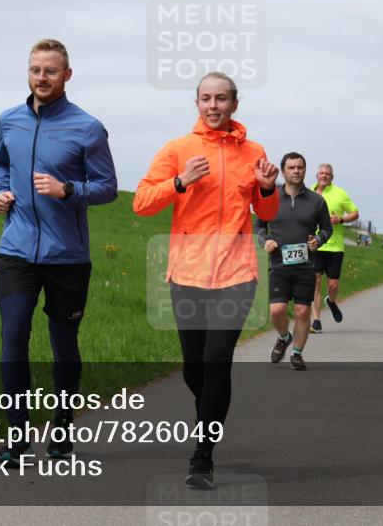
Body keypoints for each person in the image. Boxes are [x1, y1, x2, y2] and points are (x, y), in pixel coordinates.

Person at [133, 71, 279, 490]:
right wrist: (180, 182)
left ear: (235, 104)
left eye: (221, 99)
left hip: (236, 273)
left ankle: (203, 455)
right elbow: (142, 203)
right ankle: (210, 413)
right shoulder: (178, 150)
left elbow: (266, 215)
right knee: (195, 368)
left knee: (217, 362)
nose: (213, 106)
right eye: (205, 99)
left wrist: (267, 189)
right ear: (196, 103)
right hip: (189, 273)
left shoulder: (254, 152)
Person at [0, 39, 118, 466]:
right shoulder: (9, 120)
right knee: (13, 336)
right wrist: (1, 193)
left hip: (68, 257)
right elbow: (0, 165)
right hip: (17, 251)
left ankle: (61, 427)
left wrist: (68, 190)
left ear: (66, 75)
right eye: (34, 70)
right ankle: (17, 433)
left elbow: (107, 189)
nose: (41, 78)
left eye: (49, 71)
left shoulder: (88, 127)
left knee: (63, 343)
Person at [254, 152, 331, 370]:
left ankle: (297, 353)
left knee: (302, 312)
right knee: (277, 311)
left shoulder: (317, 201)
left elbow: (327, 229)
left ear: (305, 171)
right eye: (291, 168)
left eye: (300, 167)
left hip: (306, 265)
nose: (296, 171)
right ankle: (283, 337)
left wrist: (318, 240)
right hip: (278, 264)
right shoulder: (271, 197)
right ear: (283, 170)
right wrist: (265, 240)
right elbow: (258, 226)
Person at [309, 163, 359, 333]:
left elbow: (354, 213)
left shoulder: (340, 194)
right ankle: (316, 320)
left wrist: (341, 220)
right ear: (317, 175)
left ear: (332, 177)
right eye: (321, 173)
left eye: (327, 174)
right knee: (314, 281)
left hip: (335, 246)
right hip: (314, 245)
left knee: (333, 285)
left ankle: (330, 301)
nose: (324, 176)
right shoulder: (307, 192)